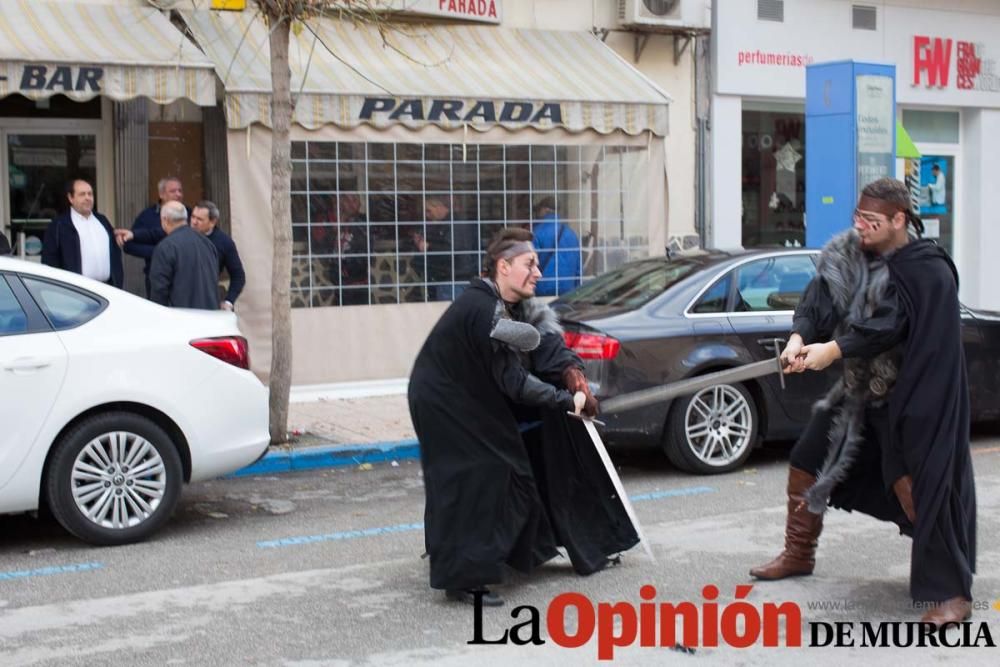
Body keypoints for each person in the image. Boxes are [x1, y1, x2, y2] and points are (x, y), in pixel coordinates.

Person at [748, 178, 976, 627]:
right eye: (858, 218)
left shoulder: (925, 268)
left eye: (871, 221)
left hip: (911, 397)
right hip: (857, 391)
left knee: (917, 488)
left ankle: (952, 590)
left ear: (898, 220)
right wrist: (800, 338)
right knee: (807, 458)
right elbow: (817, 301)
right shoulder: (847, 255)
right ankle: (798, 554)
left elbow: (891, 325)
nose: (861, 228)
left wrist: (832, 350)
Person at [408, 227, 638, 607]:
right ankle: (464, 579)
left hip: (466, 398)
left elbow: (538, 342)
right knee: (484, 474)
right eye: (530, 264)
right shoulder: (485, 310)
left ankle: (495, 556)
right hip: (444, 403)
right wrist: (564, 399)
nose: (539, 272)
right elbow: (514, 382)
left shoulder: (500, 306)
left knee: (504, 469)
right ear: (504, 266)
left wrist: (570, 372)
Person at [41, 178, 123, 287]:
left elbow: (115, 253)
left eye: (90, 194)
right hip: (77, 292)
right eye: (82, 194)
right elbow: (49, 261)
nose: (87, 198)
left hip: (107, 288)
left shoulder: (102, 220)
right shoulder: (59, 225)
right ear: (71, 198)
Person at [146, 201, 219, 310]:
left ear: (165, 219)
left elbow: (159, 291)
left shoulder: (166, 247)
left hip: (181, 319)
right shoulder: (208, 244)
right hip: (210, 316)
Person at [124, 177, 187, 297]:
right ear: (161, 194)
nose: (178, 194)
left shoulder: (188, 213)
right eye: (173, 191)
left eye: (180, 190)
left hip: (184, 276)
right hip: (157, 276)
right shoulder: (147, 216)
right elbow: (129, 245)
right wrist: (157, 252)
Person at [412, 196, 477, 301]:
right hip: (452, 277)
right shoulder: (447, 223)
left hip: (453, 279)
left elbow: (451, 250)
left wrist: (428, 247)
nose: (427, 215)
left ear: (439, 207)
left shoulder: (453, 224)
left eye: (428, 210)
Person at [189, 200, 246, 311]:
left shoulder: (224, 242)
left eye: (199, 219)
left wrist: (229, 301)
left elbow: (238, 276)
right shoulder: (183, 236)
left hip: (208, 299)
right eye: (193, 217)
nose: (194, 222)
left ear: (213, 222)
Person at [531, 196, 581, 296]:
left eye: (538, 210)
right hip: (568, 290)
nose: (537, 214)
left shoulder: (537, 233)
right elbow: (578, 268)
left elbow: (531, 263)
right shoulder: (572, 234)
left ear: (545, 210)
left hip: (542, 290)